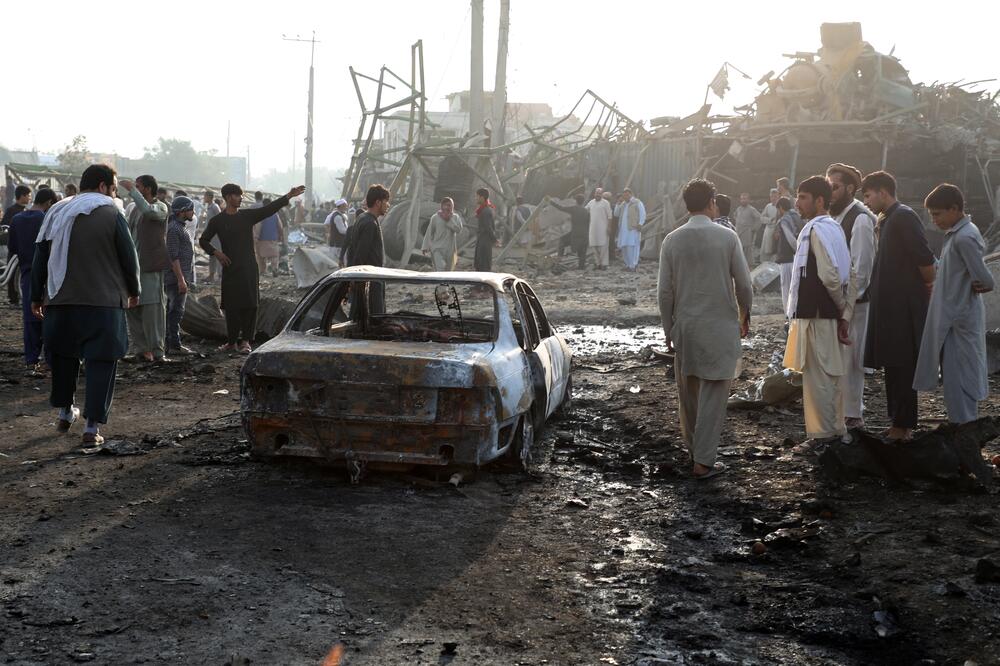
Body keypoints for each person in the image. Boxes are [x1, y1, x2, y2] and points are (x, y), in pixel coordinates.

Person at [31, 164, 140, 446]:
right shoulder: (111, 212)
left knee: (64, 359)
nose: (113, 193)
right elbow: (129, 257)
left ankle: (66, 412)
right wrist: (134, 290)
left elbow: (40, 257)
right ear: (104, 187)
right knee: (101, 362)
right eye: (114, 188)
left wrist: (35, 297)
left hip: (60, 303)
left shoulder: (57, 213)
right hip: (102, 305)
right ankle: (91, 428)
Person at [658, 178, 752, 479]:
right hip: (720, 325)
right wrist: (745, 315)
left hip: (685, 325)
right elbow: (745, 285)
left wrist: (667, 328)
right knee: (715, 392)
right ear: (712, 203)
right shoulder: (727, 237)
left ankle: (694, 451)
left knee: (689, 393)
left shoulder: (671, 240)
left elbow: (665, 293)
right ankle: (704, 460)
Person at [862, 170, 936, 442]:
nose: (867, 202)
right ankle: (897, 423)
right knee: (892, 366)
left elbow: (925, 260)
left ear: (883, 191)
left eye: (868, 195)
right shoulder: (887, 219)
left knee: (903, 367)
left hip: (903, 310)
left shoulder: (904, 216)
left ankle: (903, 426)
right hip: (889, 308)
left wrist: (924, 289)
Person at [783, 176, 856, 446]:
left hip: (818, 315)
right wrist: (842, 312)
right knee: (829, 375)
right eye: (797, 197)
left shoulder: (818, 229)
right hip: (823, 314)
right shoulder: (832, 228)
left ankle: (824, 436)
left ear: (820, 201)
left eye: (803, 197)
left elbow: (830, 276)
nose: (797, 203)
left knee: (820, 378)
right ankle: (834, 430)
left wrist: (840, 310)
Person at [914, 184, 994, 424]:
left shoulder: (965, 236)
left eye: (937, 214)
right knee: (952, 377)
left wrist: (977, 285)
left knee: (962, 376)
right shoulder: (957, 233)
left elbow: (986, 279)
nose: (934, 220)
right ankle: (961, 427)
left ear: (954, 209)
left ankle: (965, 429)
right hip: (953, 317)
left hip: (960, 320)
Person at [199, 183, 305, 354]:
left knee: (250, 304)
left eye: (241, 195)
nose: (241, 198)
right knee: (231, 306)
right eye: (237, 195)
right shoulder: (218, 221)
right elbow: (203, 240)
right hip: (230, 268)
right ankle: (232, 342)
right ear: (227, 197)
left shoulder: (247, 216)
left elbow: (269, 209)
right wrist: (216, 253)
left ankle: (246, 342)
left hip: (248, 267)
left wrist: (288, 196)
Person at [826, 163, 876, 428]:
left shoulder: (860, 218)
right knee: (839, 360)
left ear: (849, 188)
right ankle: (841, 414)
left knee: (852, 360)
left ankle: (853, 416)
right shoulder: (836, 218)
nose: (830, 192)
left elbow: (862, 270)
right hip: (839, 302)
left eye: (835, 187)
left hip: (855, 303)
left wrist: (847, 304)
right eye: (828, 186)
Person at [120, 176, 170, 362]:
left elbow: (150, 213)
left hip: (150, 266)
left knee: (152, 309)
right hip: (133, 267)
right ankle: (142, 350)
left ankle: (158, 352)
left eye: (138, 186)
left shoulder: (161, 207)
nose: (135, 188)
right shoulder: (134, 210)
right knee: (132, 308)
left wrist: (132, 191)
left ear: (147, 189)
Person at [8, 188, 58, 372]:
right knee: (49, 316)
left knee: (30, 317)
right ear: (49, 203)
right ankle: (50, 360)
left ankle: (31, 360)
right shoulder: (47, 219)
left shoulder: (17, 219)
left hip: (27, 272)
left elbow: (12, 247)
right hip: (48, 273)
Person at [165, 195, 196, 355]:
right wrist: (181, 280)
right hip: (175, 278)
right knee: (175, 312)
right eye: (191, 209)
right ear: (182, 211)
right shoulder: (174, 229)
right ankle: (174, 346)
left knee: (175, 311)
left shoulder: (180, 227)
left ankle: (171, 344)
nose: (193, 212)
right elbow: (173, 256)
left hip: (181, 276)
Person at [3, 184, 31, 306]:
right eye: (28, 195)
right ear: (22, 196)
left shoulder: (25, 210)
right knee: (12, 271)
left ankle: (18, 295)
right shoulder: (12, 210)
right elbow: (5, 226)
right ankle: (12, 297)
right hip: (14, 244)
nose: (29, 198)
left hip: (23, 245)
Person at [773, 196, 802, 313]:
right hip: (798, 258)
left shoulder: (784, 219)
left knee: (787, 289)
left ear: (780, 207)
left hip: (787, 257)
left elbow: (790, 238)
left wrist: (797, 250)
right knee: (796, 287)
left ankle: (788, 315)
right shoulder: (797, 216)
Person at [421, 197, 463, 271]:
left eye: (449, 205)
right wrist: (425, 246)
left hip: (450, 249)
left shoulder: (455, 217)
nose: (447, 207)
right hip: (437, 248)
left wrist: (449, 220)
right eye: (445, 205)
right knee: (440, 268)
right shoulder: (435, 217)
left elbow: (459, 230)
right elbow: (429, 232)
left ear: (452, 206)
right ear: (442, 206)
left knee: (448, 272)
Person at [552, 194, 590, 270]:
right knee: (582, 251)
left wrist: (551, 202)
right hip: (584, 234)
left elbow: (561, 208)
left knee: (562, 241)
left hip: (575, 233)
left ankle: (559, 259)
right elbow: (589, 223)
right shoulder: (586, 212)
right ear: (583, 202)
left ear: (576, 201)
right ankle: (581, 267)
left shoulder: (574, 209)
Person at [615, 187, 646, 271]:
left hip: (633, 229)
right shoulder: (623, 204)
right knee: (624, 247)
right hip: (623, 230)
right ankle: (628, 265)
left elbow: (643, 213)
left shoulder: (637, 202)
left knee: (632, 247)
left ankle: (633, 265)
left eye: (627, 194)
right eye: (624, 195)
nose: (625, 196)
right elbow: (616, 214)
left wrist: (640, 223)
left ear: (631, 194)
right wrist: (618, 203)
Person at [254, 197, 282, 277]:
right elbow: (280, 226)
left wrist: (256, 237)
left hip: (262, 239)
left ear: (263, 205)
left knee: (261, 257)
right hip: (273, 238)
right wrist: (280, 235)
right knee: (274, 256)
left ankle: (263, 270)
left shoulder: (261, 214)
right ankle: (274, 268)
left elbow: (258, 226)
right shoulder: (275, 214)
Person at [585, 188, 612, 270]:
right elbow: (584, 210)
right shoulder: (591, 202)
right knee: (594, 246)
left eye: (600, 193)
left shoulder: (606, 203)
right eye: (597, 193)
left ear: (602, 194)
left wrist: (609, 227)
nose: (598, 194)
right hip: (593, 228)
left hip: (603, 228)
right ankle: (598, 263)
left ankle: (604, 264)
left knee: (603, 246)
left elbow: (610, 216)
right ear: (594, 194)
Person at [473, 187, 499, 272]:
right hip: (482, 240)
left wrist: (494, 239)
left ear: (482, 197)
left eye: (477, 196)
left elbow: (488, 227)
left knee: (483, 264)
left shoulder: (486, 211)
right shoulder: (484, 210)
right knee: (480, 263)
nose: (476, 198)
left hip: (484, 241)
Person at [734, 192, 762, 268]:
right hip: (738, 234)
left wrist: (753, 229)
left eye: (745, 199)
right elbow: (735, 216)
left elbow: (759, 219)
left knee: (748, 255)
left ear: (749, 200)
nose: (743, 200)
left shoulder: (751, 209)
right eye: (742, 199)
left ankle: (749, 270)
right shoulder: (738, 209)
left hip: (747, 235)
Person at [201, 191, 222, 283]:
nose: (204, 198)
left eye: (205, 196)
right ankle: (211, 275)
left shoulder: (215, 207)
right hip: (210, 235)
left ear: (210, 197)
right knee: (212, 255)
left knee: (217, 255)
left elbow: (220, 220)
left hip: (215, 236)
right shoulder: (209, 207)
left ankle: (220, 276)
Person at [325, 198, 350, 265]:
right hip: (337, 244)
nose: (346, 208)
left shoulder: (341, 215)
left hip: (338, 243)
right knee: (337, 263)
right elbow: (342, 230)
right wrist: (351, 231)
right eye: (345, 206)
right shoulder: (337, 217)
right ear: (341, 206)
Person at [760, 188, 780, 262]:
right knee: (765, 249)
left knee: (774, 250)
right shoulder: (768, 206)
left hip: (777, 230)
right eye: (772, 196)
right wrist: (769, 220)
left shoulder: (780, 206)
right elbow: (761, 217)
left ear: (778, 196)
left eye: (775, 196)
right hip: (768, 230)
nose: (773, 198)